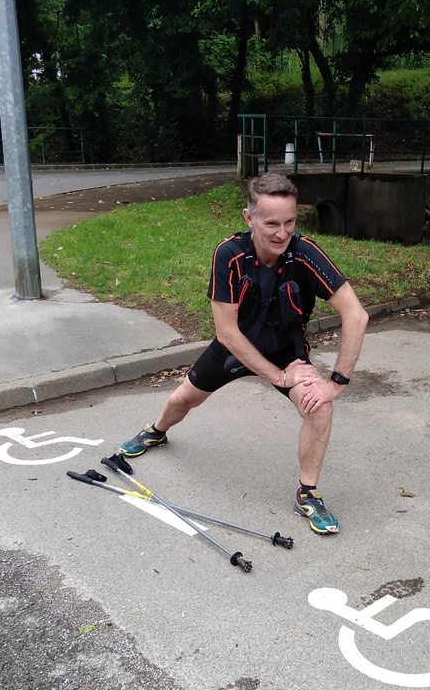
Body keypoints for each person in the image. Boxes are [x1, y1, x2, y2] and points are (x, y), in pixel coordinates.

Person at [118, 172, 369, 535]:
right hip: (235, 348)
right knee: (183, 398)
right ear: (249, 218)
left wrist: (336, 384)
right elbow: (227, 333)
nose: (282, 233)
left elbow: (356, 315)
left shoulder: (305, 253)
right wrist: (278, 377)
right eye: (271, 224)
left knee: (320, 407)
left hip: (286, 353)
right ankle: (156, 431)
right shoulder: (229, 254)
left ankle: (307, 494)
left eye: (289, 222)